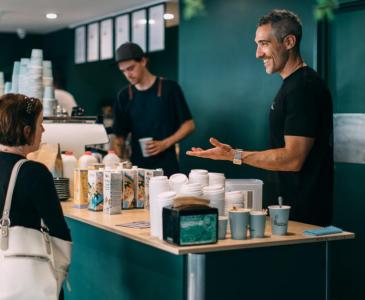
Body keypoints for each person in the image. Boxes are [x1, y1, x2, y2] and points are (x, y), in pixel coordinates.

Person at [187, 9, 333, 227]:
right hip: (288, 210)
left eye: (264, 43)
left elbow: (293, 159)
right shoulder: (292, 85)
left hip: (304, 217)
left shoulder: (304, 87)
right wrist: (232, 155)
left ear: (289, 42)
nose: (258, 53)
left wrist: (234, 155)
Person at [0, 93, 71, 299]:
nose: (43, 130)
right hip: (28, 281)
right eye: (40, 123)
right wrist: (59, 275)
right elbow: (58, 230)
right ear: (26, 130)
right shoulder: (33, 172)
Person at [112, 42, 195, 176]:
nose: (128, 74)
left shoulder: (170, 88)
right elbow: (119, 136)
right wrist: (117, 155)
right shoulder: (124, 95)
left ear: (143, 61)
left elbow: (189, 125)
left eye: (131, 68)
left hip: (167, 167)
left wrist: (164, 143)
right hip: (137, 169)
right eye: (123, 71)